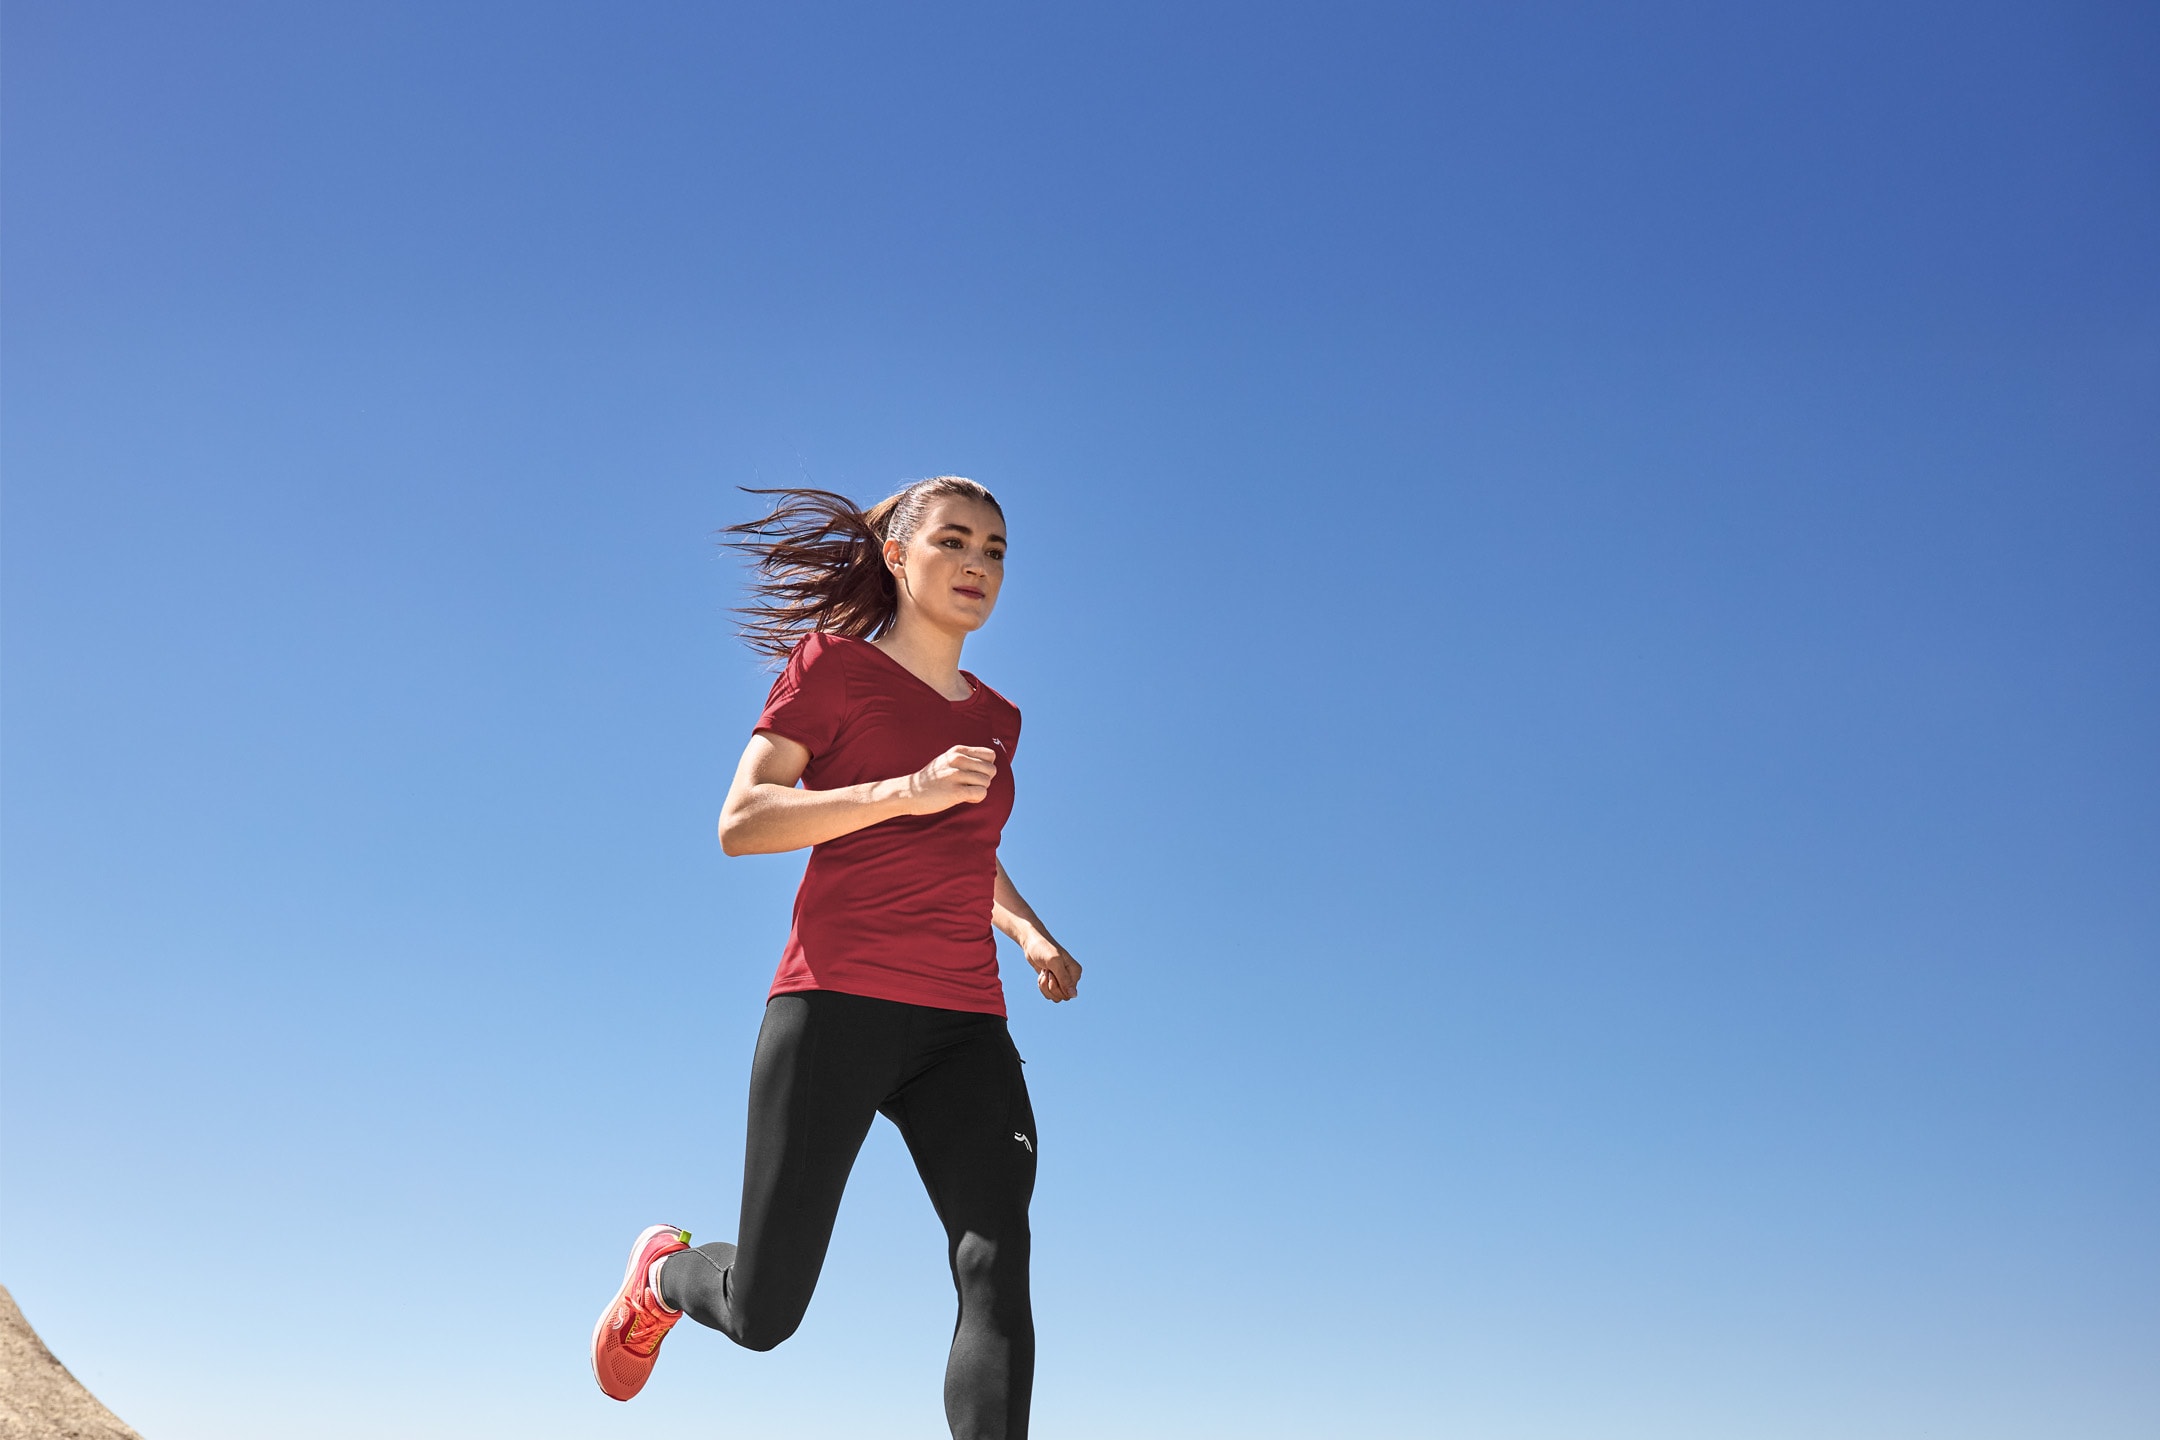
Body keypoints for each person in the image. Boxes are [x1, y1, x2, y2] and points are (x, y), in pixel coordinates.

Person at [590, 476, 1081, 1440]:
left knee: (996, 1258)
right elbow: (743, 822)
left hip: (963, 1023)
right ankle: (659, 1275)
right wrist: (907, 788)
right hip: (833, 1006)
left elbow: (967, 847)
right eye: (955, 541)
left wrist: (1026, 930)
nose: (977, 564)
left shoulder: (998, 717)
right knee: (765, 1314)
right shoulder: (832, 669)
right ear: (898, 555)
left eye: (995, 549)